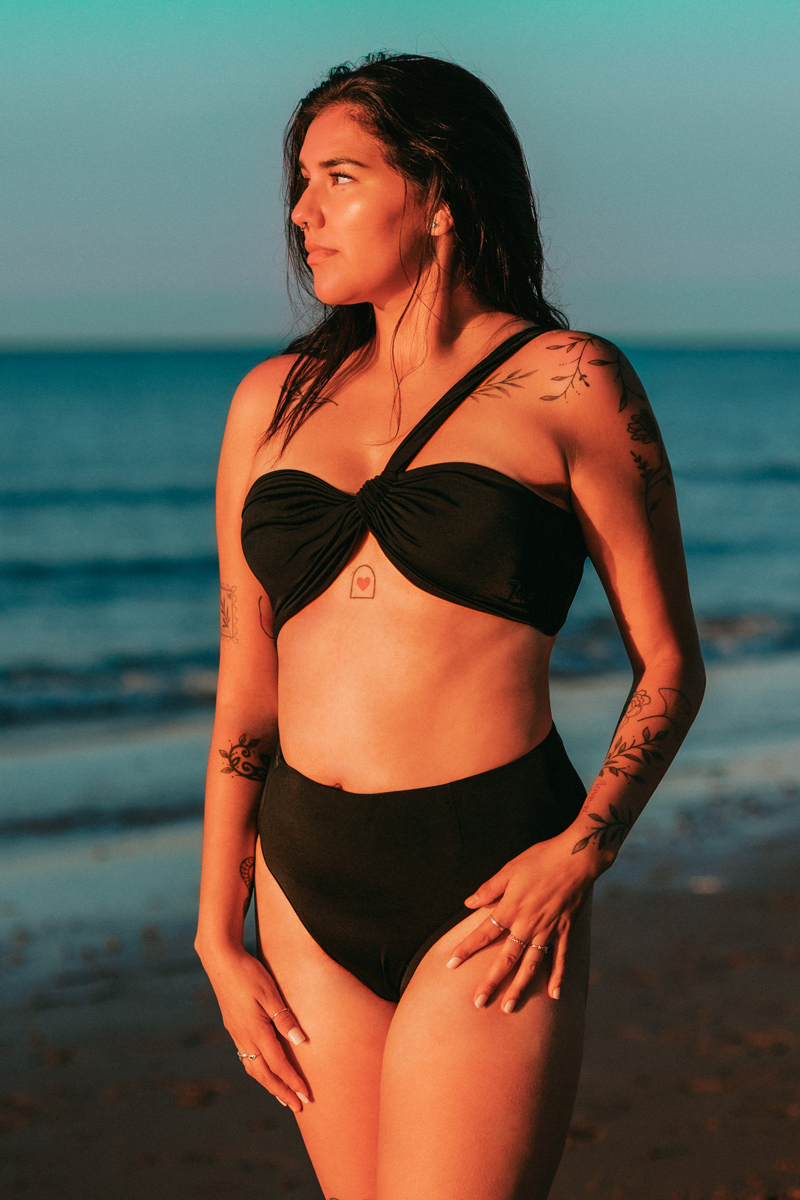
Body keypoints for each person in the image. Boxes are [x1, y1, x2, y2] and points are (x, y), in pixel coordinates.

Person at [195, 52, 705, 1200]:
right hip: (300, 882)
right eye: (298, 182)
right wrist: (214, 932)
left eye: (337, 178)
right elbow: (245, 681)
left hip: (489, 878)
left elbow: (667, 663)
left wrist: (585, 846)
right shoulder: (266, 403)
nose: (300, 212)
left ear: (436, 194)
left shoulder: (569, 382)